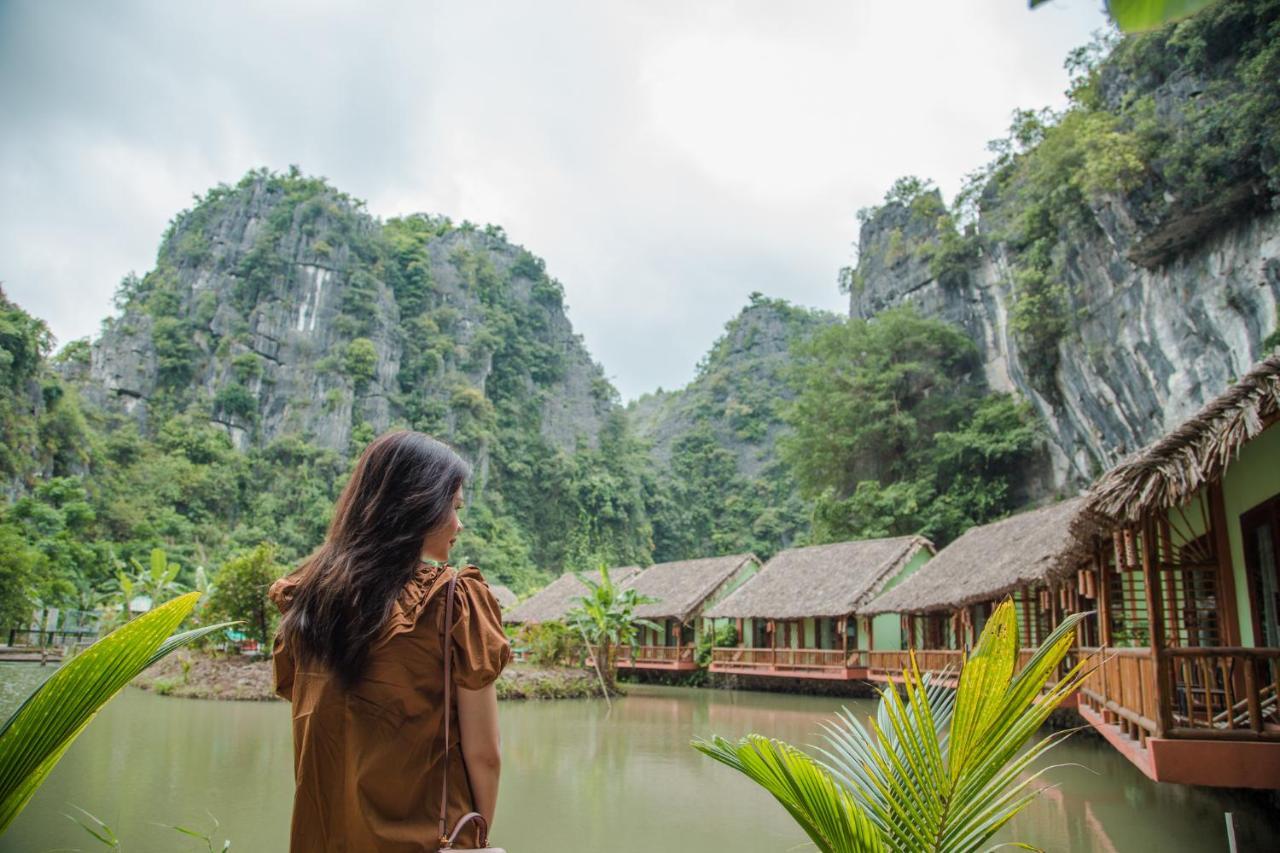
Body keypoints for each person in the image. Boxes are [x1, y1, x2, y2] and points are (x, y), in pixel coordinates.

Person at [268, 429, 512, 851]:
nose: (459, 524)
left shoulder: (306, 602)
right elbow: (485, 754)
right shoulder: (454, 602)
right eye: (452, 507)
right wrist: (477, 839)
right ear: (416, 507)